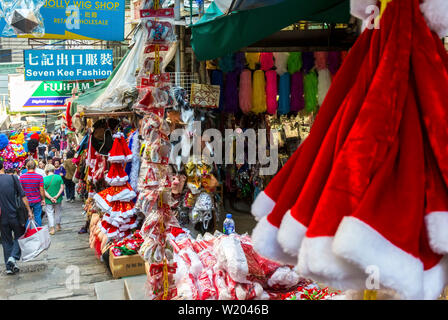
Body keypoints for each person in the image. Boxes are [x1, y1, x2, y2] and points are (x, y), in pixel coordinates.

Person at [0, 161, 33, 274]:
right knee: (20, 236)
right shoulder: (13, 178)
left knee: (6, 241)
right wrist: (29, 210)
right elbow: (23, 196)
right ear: (3, 167)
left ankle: (9, 267)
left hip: (2, 218)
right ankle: (13, 257)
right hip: (15, 215)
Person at [19, 160, 45, 227]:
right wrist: (43, 199)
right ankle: (38, 231)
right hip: (37, 200)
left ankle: (29, 233)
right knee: (38, 217)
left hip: (26, 201)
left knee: (28, 217)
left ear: (26, 167)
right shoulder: (39, 177)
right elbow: (41, 189)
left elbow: (21, 190)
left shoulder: (21, 178)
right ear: (35, 167)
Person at [43, 164, 64, 235]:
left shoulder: (44, 179)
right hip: (58, 199)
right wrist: (56, 196)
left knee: (50, 213)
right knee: (58, 212)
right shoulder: (58, 177)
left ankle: (52, 228)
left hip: (48, 200)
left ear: (46, 170)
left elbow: (44, 190)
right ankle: (58, 225)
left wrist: (50, 198)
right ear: (53, 169)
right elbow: (62, 188)